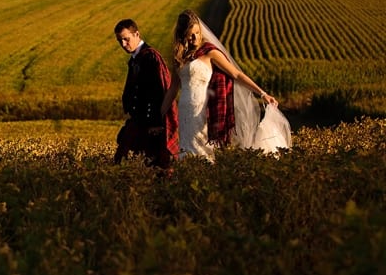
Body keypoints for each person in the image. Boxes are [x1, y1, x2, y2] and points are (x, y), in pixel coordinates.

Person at [160, 9, 291, 161]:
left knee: (203, 151)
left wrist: (262, 93)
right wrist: (161, 113)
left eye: (197, 32)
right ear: (183, 34)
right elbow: (173, 88)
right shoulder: (179, 57)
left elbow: (236, 74)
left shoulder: (210, 52)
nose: (195, 37)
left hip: (203, 110)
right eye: (191, 33)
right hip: (184, 110)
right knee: (186, 150)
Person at [113, 19, 179, 167]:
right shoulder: (136, 58)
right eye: (120, 41)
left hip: (151, 122)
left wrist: (155, 122)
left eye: (126, 39)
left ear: (137, 34)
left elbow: (158, 90)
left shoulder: (150, 57)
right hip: (139, 119)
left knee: (154, 164)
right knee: (127, 161)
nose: (123, 44)